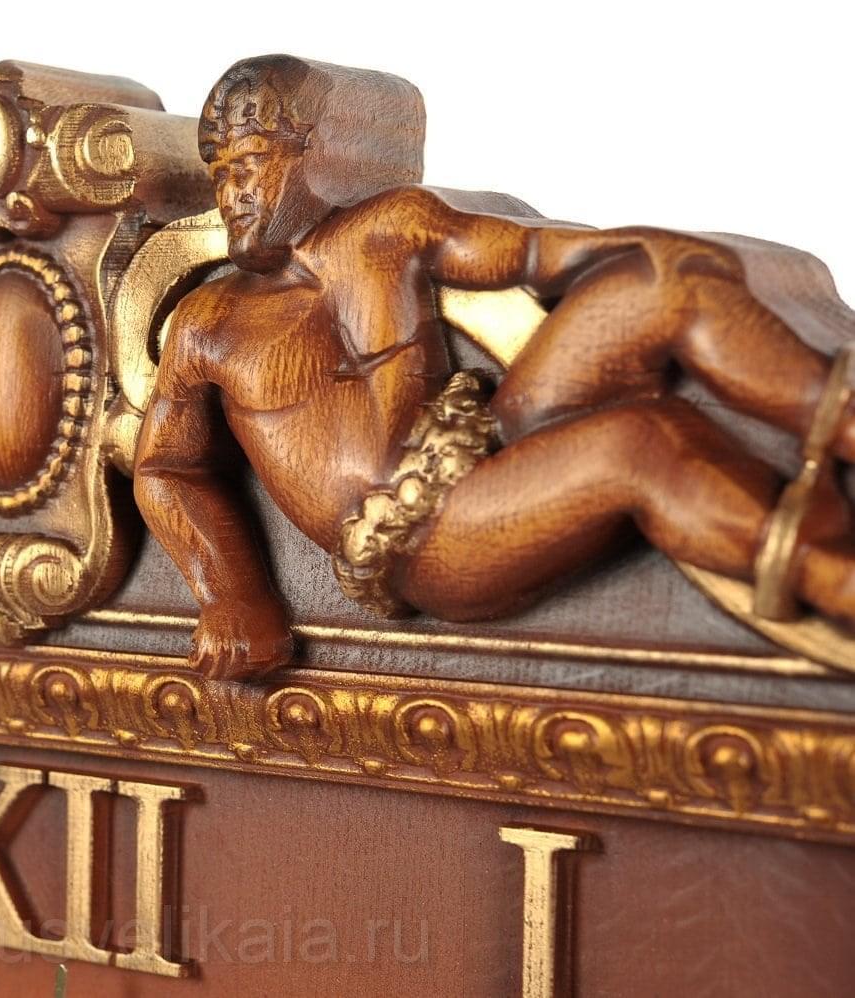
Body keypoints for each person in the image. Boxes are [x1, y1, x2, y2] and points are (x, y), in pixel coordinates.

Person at [134, 55, 855, 679]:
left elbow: (532, 252)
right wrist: (230, 594)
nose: (232, 194)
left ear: (322, 155)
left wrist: (647, 254)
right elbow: (166, 467)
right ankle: (831, 578)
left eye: (249, 165)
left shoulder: (385, 229)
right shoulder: (209, 322)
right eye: (219, 174)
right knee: (640, 443)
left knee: (667, 280)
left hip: (489, 449)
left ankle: (842, 419)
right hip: (426, 542)